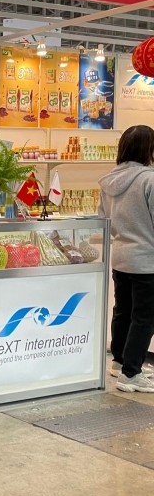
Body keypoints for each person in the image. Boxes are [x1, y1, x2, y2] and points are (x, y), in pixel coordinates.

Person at [98, 124, 154, 392]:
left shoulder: (108, 181)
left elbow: (103, 220)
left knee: (123, 312)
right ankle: (132, 373)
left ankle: (120, 362)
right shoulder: (149, 179)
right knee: (144, 317)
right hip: (146, 260)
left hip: (120, 256)